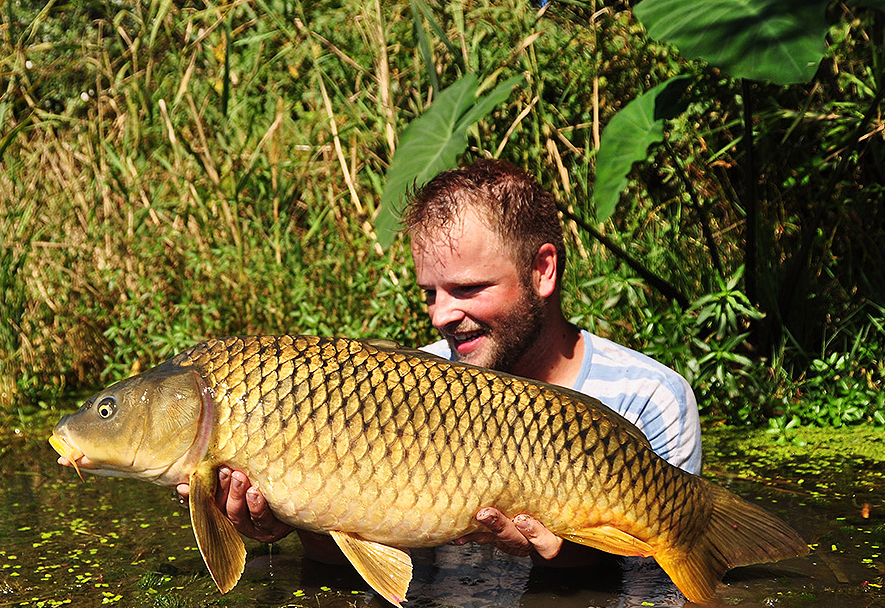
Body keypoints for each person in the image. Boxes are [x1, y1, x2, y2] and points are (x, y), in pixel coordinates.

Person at [197, 159, 702, 571]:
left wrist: (569, 560)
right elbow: (354, 544)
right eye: (430, 293)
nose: (441, 314)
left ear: (543, 270)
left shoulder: (650, 398)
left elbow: (656, 593)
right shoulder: (404, 385)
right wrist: (282, 525)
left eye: (467, 289)